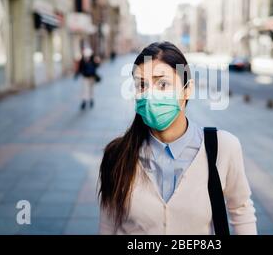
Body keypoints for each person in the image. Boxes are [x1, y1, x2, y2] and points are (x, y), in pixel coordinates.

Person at [98, 41, 257, 235]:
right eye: (141, 85)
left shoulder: (222, 148)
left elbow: (241, 210)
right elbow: (108, 224)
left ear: (187, 90)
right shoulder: (117, 154)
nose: (150, 95)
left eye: (162, 84)